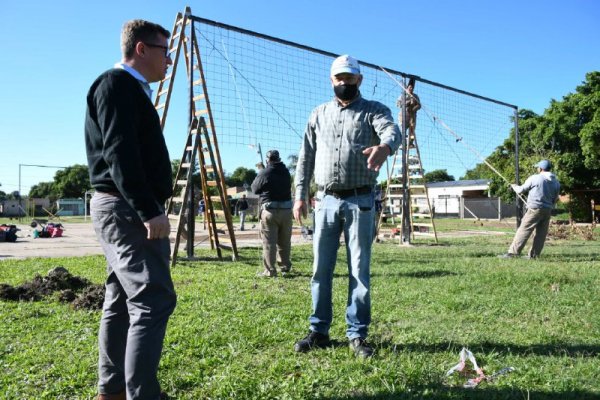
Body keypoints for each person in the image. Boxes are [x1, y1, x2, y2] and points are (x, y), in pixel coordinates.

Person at [85, 19, 176, 400]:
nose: (169, 60)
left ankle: (113, 391)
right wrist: (147, 209)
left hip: (121, 206)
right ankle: (140, 394)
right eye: (163, 51)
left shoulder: (130, 90)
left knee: (121, 299)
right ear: (141, 49)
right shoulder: (117, 84)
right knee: (153, 298)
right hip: (125, 207)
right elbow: (119, 152)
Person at [293, 55, 401, 358]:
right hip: (324, 200)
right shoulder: (318, 114)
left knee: (359, 270)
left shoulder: (374, 111)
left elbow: (393, 131)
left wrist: (385, 146)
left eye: (350, 78)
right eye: (339, 78)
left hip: (361, 200)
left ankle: (357, 334)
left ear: (359, 80)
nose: (344, 83)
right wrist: (300, 195)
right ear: (331, 80)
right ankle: (319, 330)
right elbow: (306, 157)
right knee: (320, 269)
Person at [500, 159, 561, 259]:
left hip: (534, 210)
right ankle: (534, 255)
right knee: (541, 234)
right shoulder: (556, 182)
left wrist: (514, 186)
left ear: (541, 168)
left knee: (524, 230)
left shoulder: (535, 178)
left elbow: (520, 190)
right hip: (547, 210)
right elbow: (555, 199)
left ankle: (513, 253)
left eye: (538, 167)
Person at [251, 150, 293, 277]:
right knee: (284, 241)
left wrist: (261, 172)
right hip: (286, 211)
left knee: (269, 242)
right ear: (279, 158)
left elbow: (255, 189)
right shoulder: (286, 172)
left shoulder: (265, 172)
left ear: (267, 160)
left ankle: (270, 270)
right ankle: (285, 267)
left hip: (270, 211)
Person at [397, 77, 420, 146]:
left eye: (412, 88)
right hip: (403, 116)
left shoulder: (415, 96)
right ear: (407, 87)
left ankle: (410, 142)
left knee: (412, 131)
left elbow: (419, 105)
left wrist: (414, 108)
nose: (411, 89)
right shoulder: (402, 96)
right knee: (402, 129)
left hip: (412, 117)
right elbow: (398, 104)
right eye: (410, 87)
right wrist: (407, 103)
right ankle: (402, 142)